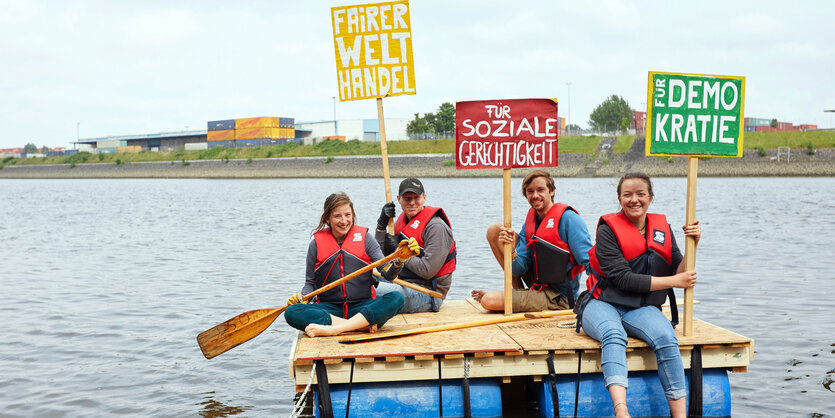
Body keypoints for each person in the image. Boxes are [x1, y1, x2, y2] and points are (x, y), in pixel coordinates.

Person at [578, 172, 701, 418]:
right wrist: (674, 282)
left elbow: (680, 270)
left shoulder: (662, 228)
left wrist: (693, 244)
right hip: (603, 303)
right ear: (619, 199)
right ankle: (621, 411)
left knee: (667, 337)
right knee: (613, 335)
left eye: (640, 194)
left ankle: (680, 415)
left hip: (641, 308)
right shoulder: (607, 230)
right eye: (627, 195)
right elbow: (623, 279)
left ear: (650, 198)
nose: (634, 200)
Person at [284, 192, 416, 338]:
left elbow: (388, 275)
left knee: (397, 298)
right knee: (292, 312)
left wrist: (400, 260)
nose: (344, 221)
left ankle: (336, 329)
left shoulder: (366, 239)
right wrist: (303, 297)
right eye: (337, 216)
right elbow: (310, 283)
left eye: (348, 215)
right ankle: (358, 327)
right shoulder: (315, 245)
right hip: (330, 309)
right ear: (327, 218)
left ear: (353, 215)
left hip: (362, 308)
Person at [471, 169, 592, 312]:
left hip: (560, 297)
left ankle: (511, 298)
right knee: (495, 230)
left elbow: (590, 260)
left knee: (488, 301)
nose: (535, 195)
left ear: (551, 191)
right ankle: (517, 294)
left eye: (540, 190)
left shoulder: (569, 219)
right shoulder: (531, 223)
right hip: (536, 285)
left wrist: (600, 296)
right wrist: (511, 252)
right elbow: (518, 269)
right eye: (530, 191)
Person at [374, 177, 456, 313]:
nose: (412, 202)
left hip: (427, 293)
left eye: (416, 197)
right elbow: (379, 260)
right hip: (400, 281)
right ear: (399, 199)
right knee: (358, 280)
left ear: (424, 197)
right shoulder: (401, 222)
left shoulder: (436, 227)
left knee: (363, 291)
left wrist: (399, 251)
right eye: (407, 198)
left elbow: (427, 271)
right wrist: (381, 226)